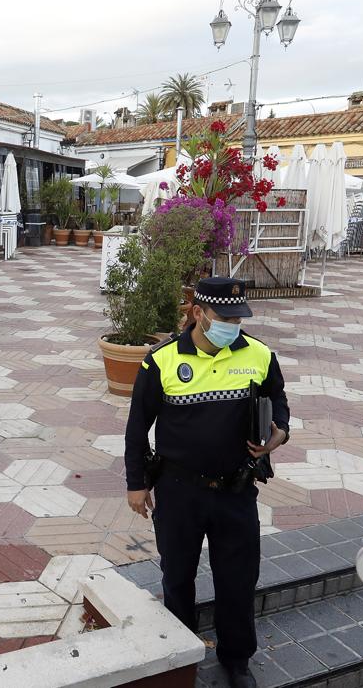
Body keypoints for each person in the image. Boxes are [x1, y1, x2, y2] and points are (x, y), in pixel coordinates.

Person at [124, 277, 291, 688]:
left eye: (239, 318)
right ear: (199, 313)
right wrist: (135, 483)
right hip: (180, 491)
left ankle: (236, 659)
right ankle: (177, 653)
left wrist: (280, 432)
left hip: (236, 491)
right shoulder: (160, 360)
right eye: (225, 317)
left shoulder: (259, 355)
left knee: (237, 578)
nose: (233, 325)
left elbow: (280, 400)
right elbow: (136, 427)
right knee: (177, 576)